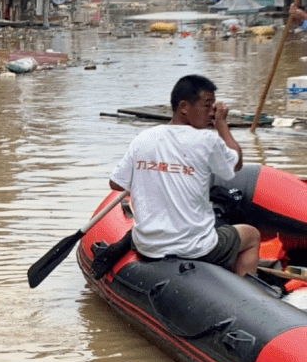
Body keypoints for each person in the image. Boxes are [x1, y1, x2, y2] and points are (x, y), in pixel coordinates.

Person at [109, 74, 260, 277]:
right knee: (251, 235)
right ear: (184, 107)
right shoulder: (207, 140)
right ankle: (246, 294)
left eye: (214, 108)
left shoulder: (143, 138)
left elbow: (116, 184)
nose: (211, 112)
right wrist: (221, 123)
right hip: (195, 249)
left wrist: (152, 173)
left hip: (148, 247)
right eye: (207, 106)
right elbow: (236, 163)